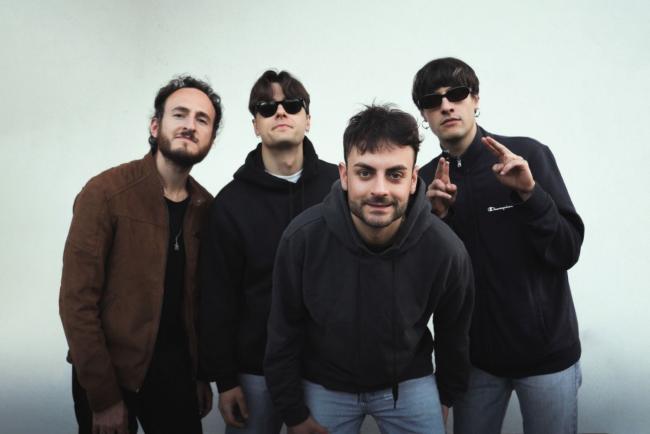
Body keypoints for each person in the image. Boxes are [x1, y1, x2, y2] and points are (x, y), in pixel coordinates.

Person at [264, 104, 474, 434]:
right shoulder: (302, 239)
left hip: (409, 382)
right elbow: (282, 332)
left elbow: (455, 334)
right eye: (365, 173)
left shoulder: (445, 249)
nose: (379, 189)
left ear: (413, 179)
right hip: (325, 382)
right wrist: (293, 413)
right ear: (344, 175)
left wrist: (445, 397)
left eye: (395, 174)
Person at [412, 57, 584, 434]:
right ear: (424, 114)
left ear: (475, 99)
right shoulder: (423, 182)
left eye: (457, 94)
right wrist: (436, 219)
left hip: (547, 356)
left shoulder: (526, 157)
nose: (446, 105)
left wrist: (530, 194)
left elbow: (566, 250)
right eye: (432, 100)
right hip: (475, 363)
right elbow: (425, 285)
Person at [59, 75, 221, 434]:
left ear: (211, 138)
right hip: (109, 372)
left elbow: (198, 303)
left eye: (202, 119)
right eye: (179, 114)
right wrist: (103, 396)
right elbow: (76, 302)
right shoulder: (106, 193)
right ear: (155, 125)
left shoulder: (207, 208)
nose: (190, 125)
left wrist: (199, 374)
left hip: (175, 374)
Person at [198, 69, 339, 433]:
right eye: (266, 107)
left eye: (292, 105)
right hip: (254, 373)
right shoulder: (230, 204)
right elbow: (217, 299)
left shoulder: (340, 188)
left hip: (327, 371)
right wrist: (225, 380)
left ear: (308, 119)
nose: (280, 112)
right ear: (255, 125)